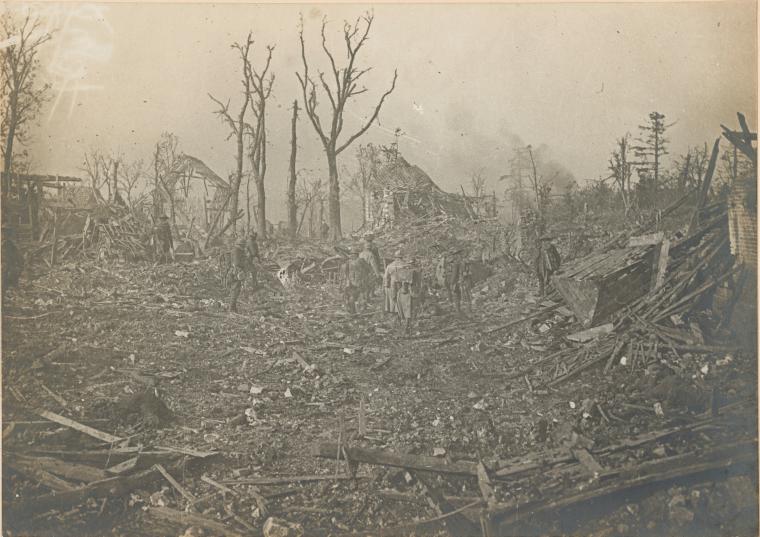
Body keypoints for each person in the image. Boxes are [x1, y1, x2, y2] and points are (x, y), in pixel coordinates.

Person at [342, 246, 373, 314]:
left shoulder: (350, 261)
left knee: (354, 296)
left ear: (356, 254)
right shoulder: (359, 260)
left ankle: (354, 311)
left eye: (353, 254)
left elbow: (346, 272)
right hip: (358, 282)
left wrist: (348, 280)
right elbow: (369, 269)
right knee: (358, 296)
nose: (352, 255)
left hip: (354, 282)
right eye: (352, 254)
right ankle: (357, 310)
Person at [229, 235, 250, 313]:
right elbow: (237, 263)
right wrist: (244, 264)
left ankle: (233, 308)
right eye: (243, 245)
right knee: (235, 289)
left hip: (238, 271)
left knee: (237, 290)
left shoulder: (238, 250)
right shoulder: (236, 251)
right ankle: (231, 308)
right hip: (237, 271)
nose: (244, 247)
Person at [2, 224, 23, 296]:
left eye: (8, 233)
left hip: (7, 268)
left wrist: (19, 267)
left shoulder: (11, 245)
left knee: (4, 287)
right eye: (4, 232)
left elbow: (18, 257)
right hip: (3, 267)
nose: (5, 235)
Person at [383, 250, 404, 316]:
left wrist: (386, 285)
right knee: (401, 295)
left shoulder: (390, 265)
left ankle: (393, 310)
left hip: (393, 281)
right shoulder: (405, 264)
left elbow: (386, 276)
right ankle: (401, 310)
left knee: (393, 296)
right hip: (401, 282)